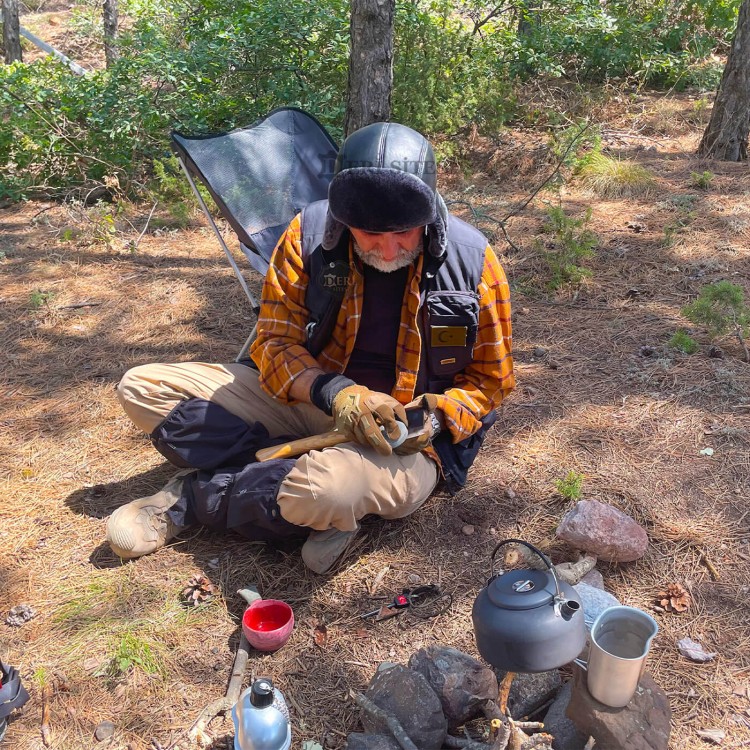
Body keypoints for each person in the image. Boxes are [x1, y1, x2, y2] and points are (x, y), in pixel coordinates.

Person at [105, 121, 515, 573]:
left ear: (428, 213)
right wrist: (337, 394)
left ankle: (192, 497)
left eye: (403, 232)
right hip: (314, 399)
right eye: (368, 233)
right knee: (142, 388)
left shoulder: (474, 262)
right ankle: (296, 484)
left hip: (400, 441)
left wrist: (432, 418)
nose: (386, 247)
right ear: (345, 218)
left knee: (327, 490)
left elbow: (490, 381)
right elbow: (274, 343)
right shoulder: (308, 237)